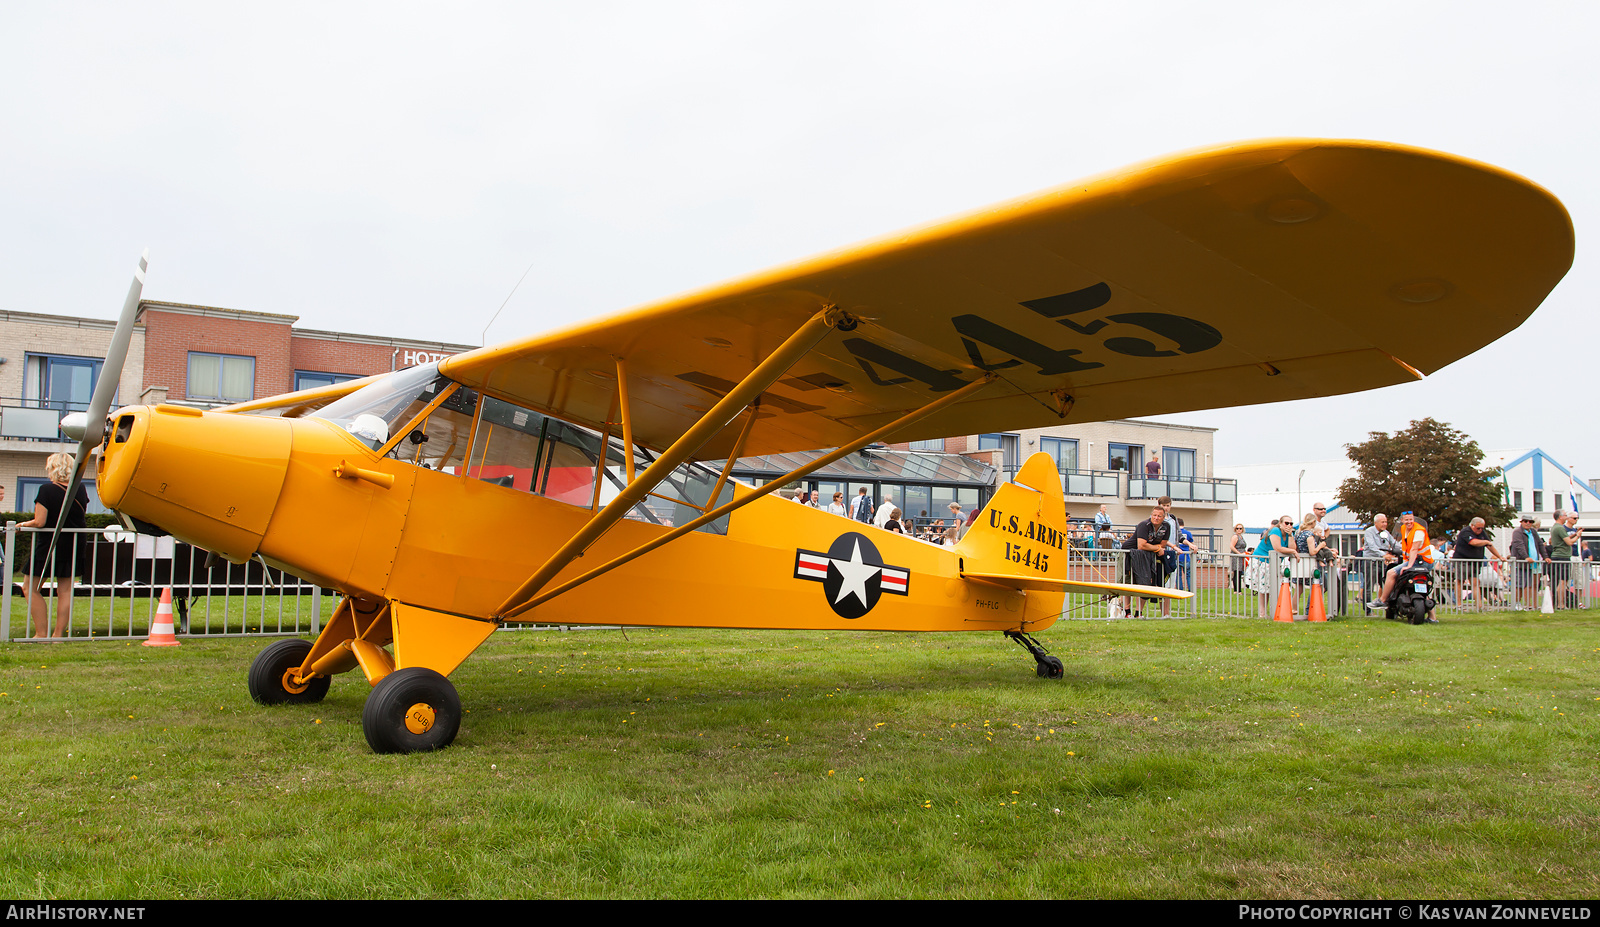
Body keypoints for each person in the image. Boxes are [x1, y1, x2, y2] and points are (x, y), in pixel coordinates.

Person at [17, 453, 90, 639]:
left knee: (29, 588)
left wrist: (22, 525)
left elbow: (40, 522)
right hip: (74, 544)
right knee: (65, 590)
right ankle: (58, 636)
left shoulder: (46, 490)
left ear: (52, 468)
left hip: (50, 544)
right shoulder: (80, 489)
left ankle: (41, 634)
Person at [1369, 515, 1437, 618]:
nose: (1409, 522)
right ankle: (1432, 618)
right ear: (1402, 520)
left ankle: (1382, 600)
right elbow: (1404, 547)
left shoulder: (1418, 530)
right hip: (1419, 562)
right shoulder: (1404, 528)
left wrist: (1408, 566)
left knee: (1390, 573)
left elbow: (1414, 549)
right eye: (1406, 520)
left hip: (1420, 562)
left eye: (1411, 519)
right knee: (1422, 589)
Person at [1121, 505, 1173, 617]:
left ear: (1163, 518)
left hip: (1147, 556)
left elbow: (1163, 544)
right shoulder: (1144, 525)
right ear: (1151, 515)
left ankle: (1138, 613)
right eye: (1154, 515)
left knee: (1145, 582)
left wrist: (1154, 547)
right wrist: (1157, 548)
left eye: (1159, 516)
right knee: (1129, 583)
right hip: (1130, 553)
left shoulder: (1166, 526)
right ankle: (1126, 611)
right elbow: (1141, 545)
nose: (1156, 518)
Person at [1452, 518, 1506, 609]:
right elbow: (1473, 542)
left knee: (1476, 583)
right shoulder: (1466, 531)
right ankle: (1458, 605)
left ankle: (1479, 606)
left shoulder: (1482, 532)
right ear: (1472, 525)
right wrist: (1485, 542)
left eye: (1482, 528)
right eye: (1478, 528)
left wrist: (1499, 557)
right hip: (1462, 561)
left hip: (1475, 562)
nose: (1480, 530)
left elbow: (1489, 545)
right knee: (1459, 582)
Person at [1249, 515, 1297, 618]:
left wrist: (1291, 536)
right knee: (1263, 588)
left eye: (1291, 523)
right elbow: (1278, 548)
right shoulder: (1275, 530)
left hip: (1274, 563)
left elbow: (1292, 547)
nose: (1289, 525)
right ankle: (1262, 613)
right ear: (1280, 523)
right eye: (1286, 523)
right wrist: (1293, 551)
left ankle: (1276, 611)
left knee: (1273, 587)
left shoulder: (1289, 534)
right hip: (1262, 561)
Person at [1360, 514, 1402, 614]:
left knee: (1387, 584)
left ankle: (1390, 609)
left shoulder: (1386, 533)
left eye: (1386, 522)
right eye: (1382, 522)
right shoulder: (1369, 531)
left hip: (1382, 563)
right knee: (1369, 587)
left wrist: (1405, 549)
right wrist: (1383, 555)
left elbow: (1395, 544)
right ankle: (1368, 611)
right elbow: (1372, 546)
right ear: (1376, 523)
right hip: (1370, 562)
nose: (1385, 524)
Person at [1506, 515, 1549, 610]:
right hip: (1521, 564)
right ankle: (1516, 603)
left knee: (1529, 585)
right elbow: (1519, 545)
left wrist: (1545, 557)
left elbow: (1540, 544)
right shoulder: (1517, 532)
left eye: (1530, 521)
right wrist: (1526, 557)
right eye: (1525, 521)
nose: (1528, 523)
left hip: (1532, 564)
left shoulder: (1533, 532)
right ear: (1521, 522)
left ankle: (1529, 605)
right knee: (1519, 585)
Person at [1548, 511, 1582, 609]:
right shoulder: (1560, 528)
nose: (1566, 517)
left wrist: (1574, 534)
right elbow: (1569, 542)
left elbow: (1564, 539)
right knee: (1563, 582)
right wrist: (1578, 536)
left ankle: (1559, 604)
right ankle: (1561, 604)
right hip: (1562, 556)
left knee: (1560, 581)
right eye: (1565, 516)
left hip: (1557, 556)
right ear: (1560, 517)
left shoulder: (1555, 527)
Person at [1229, 523, 1249, 592]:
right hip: (1236, 556)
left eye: (1240, 528)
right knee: (1236, 572)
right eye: (1237, 528)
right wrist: (1239, 553)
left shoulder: (1241, 537)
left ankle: (1239, 590)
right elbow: (1232, 546)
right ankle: (1236, 590)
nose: (1239, 530)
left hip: (1241, 556)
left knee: (1240, 573)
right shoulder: (1235, 536)